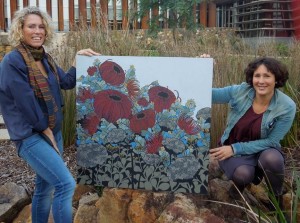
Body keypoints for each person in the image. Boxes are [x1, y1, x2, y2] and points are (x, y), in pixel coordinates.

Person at [0, 6, 99, 223]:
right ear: (20, 29)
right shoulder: (12, 62)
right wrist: (46, 131)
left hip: (52, 129)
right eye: (31, 26)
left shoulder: (45, 57)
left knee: (45, 188)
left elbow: (66, 82)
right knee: (66, 185)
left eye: (41, 26)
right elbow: (25, 104)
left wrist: (77, 60)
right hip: (30, 136)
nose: (37, 31)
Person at [209, 57, 296, 212]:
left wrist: (236, 148)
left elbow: (272, 141)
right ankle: (236, 192)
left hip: (263, 148)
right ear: (252, 78)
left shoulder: (287, 106)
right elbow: (211, 95)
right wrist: (206, 69)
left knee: (272, 159)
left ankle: (276, 200)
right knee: (243, 174)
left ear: (276, 79)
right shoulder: (241, 91)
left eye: (267, 76)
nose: (261, 81)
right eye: (257, 76)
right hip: (232, 146)